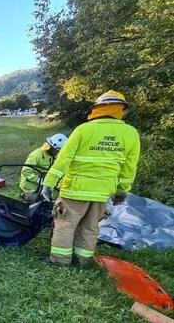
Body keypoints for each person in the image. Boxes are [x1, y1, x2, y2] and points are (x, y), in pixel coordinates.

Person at [41, 90, 140, 267]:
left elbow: (63, 160)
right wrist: (122, 190)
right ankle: (82, 260)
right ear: (121, 109)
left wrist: (48, 184)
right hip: (103, 192)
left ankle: (59, 260)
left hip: (75, 189)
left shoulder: (83, 130)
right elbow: (129, 167)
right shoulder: (130, 133)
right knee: (90, 227)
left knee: (65, 224)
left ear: (97, 108)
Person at [19, 133, 68, 202]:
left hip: (44, 185)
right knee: (40, 202)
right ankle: (26, 195)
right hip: (30, 186)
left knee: (51, 201)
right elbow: (26, 170)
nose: (57, 152)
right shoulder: (36, 155)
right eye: (56, 150)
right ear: (51, 147)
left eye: (59, 151)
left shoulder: (56, 156)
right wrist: (40, 180)